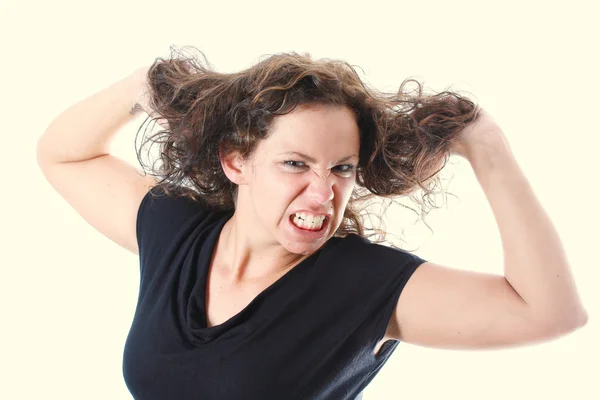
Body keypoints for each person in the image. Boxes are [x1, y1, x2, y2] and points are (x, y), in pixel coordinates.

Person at [36, 46, 588, 400]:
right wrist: (147, 83)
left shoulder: (360, 284)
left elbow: (550, 312)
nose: (325, 194)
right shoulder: (176, 232)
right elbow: (62, 154)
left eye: (342, 169)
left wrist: (486, 144)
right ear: (236, 161)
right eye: (295, 164)